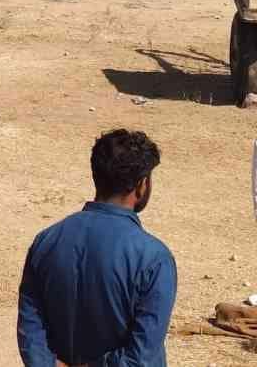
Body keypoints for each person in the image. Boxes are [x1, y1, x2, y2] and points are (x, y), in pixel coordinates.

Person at [18, 129, 176, 366]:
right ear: (142, 185)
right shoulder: (154, 259)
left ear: (96, 175)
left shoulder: (47, 240)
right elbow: (141, 356)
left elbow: (31, 326)